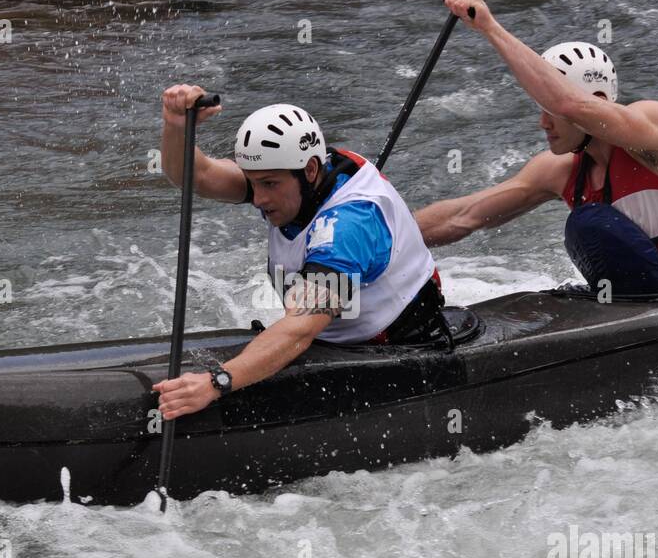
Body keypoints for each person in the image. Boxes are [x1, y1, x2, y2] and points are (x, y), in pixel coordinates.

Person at [152, 85, 450, 420]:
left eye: (269, 185)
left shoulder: (348, 227)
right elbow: (198, 175)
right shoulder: (292, 175)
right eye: (253, 183)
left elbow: (299, 329)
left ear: (310, 170)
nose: (258, 199)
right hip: (335, 346)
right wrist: (176, 125)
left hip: (406, 357)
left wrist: (216, 383)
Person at [415, 0, 658, 295]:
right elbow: (462, 217)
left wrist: (488, 26)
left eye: (549, 111)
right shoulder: (560, 170)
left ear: (596, 101)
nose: (543, 122)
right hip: (635, 300)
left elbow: (570, 105)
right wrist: (380, 234)